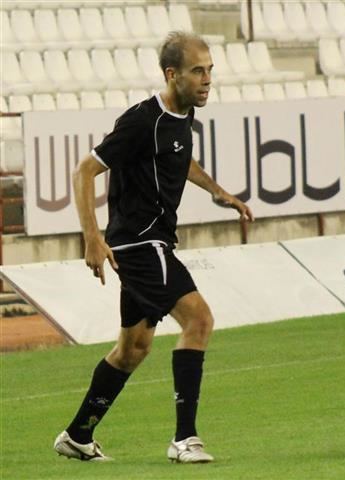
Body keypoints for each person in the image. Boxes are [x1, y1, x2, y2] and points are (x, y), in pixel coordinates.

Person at [53, 31, 254, 464]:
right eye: (197, 71)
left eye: (210, 71)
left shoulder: (182, 118)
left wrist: (219, 192)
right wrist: (92, 236)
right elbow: (84, 171)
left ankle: (77, 436)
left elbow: (179, 158)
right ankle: (185, 439)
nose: (207, 79)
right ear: (172, 74)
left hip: (151, 242)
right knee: (198, 321)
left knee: (133, 349)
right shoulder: (142, 120)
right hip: (142, 244)